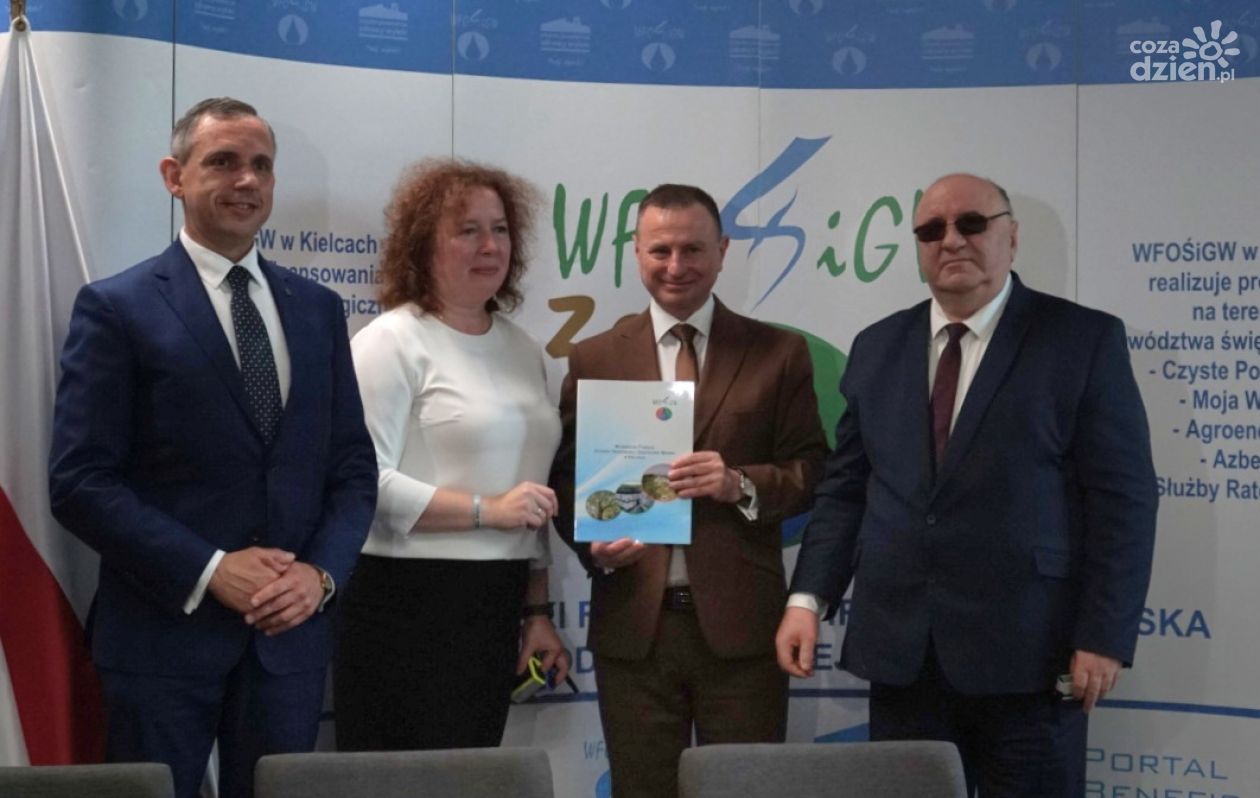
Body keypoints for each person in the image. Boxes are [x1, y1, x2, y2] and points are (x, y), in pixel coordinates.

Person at [777, 173, 1158, 796]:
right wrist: (806, 599)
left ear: (1012, 237)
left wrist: (1103, 637)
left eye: (971, 224)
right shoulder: (877, 347)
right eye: (931, 230)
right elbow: (846, 491)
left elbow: (1124, 501)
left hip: (1034, 658)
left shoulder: (1081, 340)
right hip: (903, 660)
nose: (950, 240)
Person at [48, 97, 378, 798]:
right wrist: (210, 569)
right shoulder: (118, 307)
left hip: (287, 641)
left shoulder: (318, 310)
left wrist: (319, 576)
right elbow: (80, 481)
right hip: (162, 637)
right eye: (224, 161)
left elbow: (352, 469)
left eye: (261, 165)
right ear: (174, 176)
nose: (247, 180)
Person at [551, 184, 828, 798]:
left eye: (693, 249)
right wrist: (593, 548)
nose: (676, 266)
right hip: (634, 628)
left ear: (723, 251)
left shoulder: (778, 353)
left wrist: (738, 483)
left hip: (743, 631)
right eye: (661, 250)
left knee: (747, 791)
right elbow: (567, 481)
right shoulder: (594, 357)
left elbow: (813, 471)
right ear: (637, 253)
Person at [333, 159, 570, 752]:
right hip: (405, 599)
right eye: (468, 230)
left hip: (497, 600)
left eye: (500, 229)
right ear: (423, 246)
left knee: (472, 776)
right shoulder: (390, 341)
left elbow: (532, 497)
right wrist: (488, 510)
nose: (490, 246)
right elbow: (363, 483)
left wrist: (536, 609)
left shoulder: (524, 349)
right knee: (398, 782)